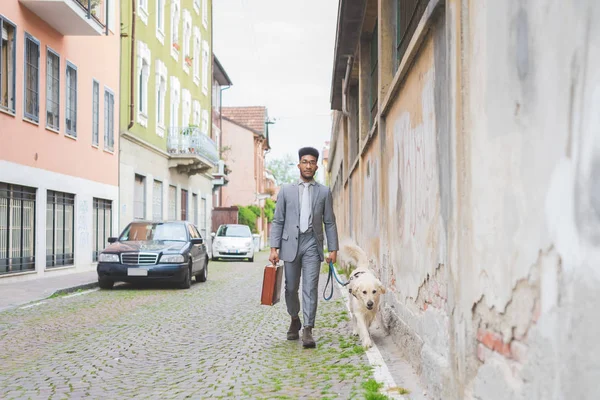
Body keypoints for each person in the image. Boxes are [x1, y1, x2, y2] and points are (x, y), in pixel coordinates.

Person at [269, 146, 339, 348]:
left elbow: (330, 222)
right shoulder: (286, 191)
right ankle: (294, 319)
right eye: (304, 162)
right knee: (291, 288)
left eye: (312, 162)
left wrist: (333, 249)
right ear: (299, 164)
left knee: (310, 287)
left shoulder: (324, 192)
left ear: (317, 166)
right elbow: (278, 220)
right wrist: (274, 248)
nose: (308, 166)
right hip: (290, 243)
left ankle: (308, 328)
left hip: (311, 243)